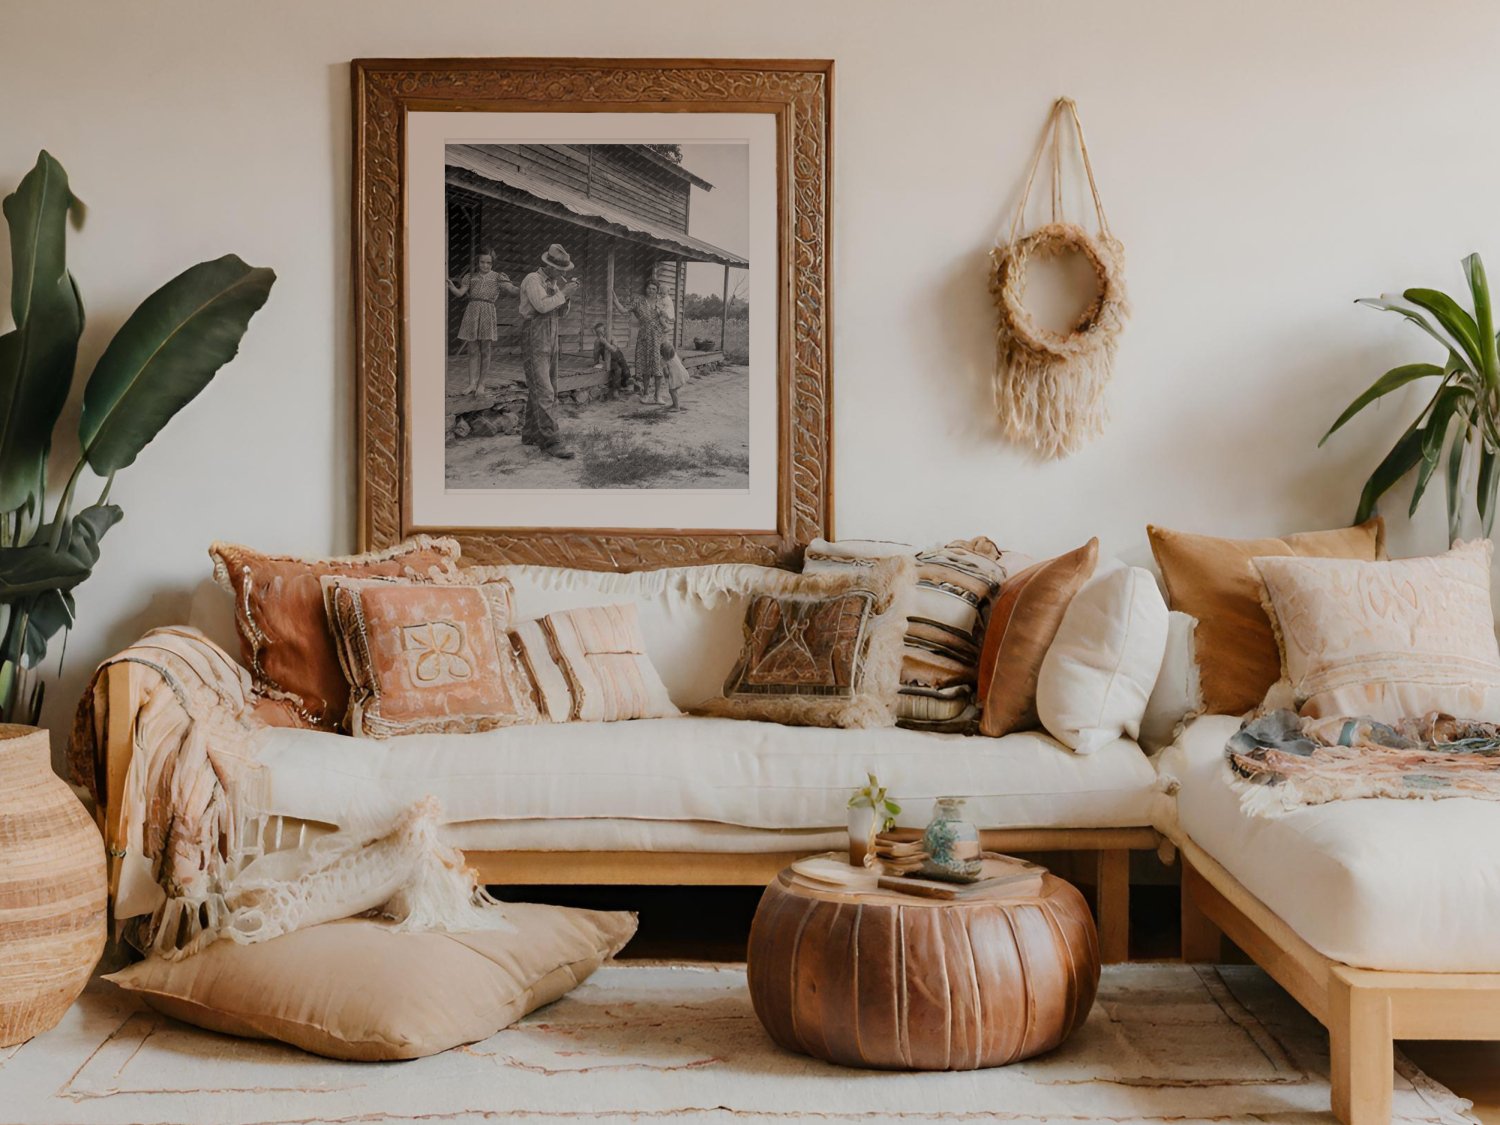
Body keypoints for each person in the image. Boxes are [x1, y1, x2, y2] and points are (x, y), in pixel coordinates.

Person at [517, 244, 581, 459]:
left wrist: (567, 297)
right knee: (545, 390)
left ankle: (530, 433)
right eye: (560, 270)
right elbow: (542, 307)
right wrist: (563, 292)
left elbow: (560, 312)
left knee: (545, 386)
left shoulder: (552, 282)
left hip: (551, 332)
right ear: (549, 265)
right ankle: (551, 442)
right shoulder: (532, 280)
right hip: (534, 333)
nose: (563, 274)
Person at [446, 250, 518, 395]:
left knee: (485, 350)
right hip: (472, 312)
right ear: (477, 263)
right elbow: (460, 293)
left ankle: (481, 384)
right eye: (482, 262)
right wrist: (451, 286)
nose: (485, 265)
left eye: (488, 263)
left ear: (493, 263)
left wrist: (527, 288)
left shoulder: (498, 277)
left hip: (487, 312)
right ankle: (472, 383)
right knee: (472, 350)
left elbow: (512, 290)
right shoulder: (470, 276)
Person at [611, 277, 672, 405]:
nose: (651, 291)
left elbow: (670, 318)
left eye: (654, 289)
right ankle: (645, 395)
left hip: (658, 337)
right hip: (644, 337)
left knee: (658, 367)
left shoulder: (661, 302)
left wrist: (666, 321)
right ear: (646, 289)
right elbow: (623, 310)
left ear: (657, 290)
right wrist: (615, 300)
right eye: (649, 288)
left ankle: (657, 396)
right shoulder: (638, 302)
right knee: (645, 368)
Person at [591, 322, 631, 399]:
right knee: (617, 370)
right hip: (609, 360)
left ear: (605, 330)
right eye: (598, 333)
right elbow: (596, 353)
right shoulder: (597, 341)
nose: (600, 334)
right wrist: (596, 362)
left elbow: (614, 350)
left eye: (602, 331)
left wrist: (606, 343)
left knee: (625, 369)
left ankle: (626, 384)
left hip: (618, 356)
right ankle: (615, 390)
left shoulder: (612, 338)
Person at [659, 341, 687, 412]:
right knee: (673, 390)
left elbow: (666, 372)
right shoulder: (675, 355)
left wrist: (666, 377)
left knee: (672, 390)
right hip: (681, 374)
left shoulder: (663, 360)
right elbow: (679, 362)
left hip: (675, 377)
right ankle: (675, 404)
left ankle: (676, 407)